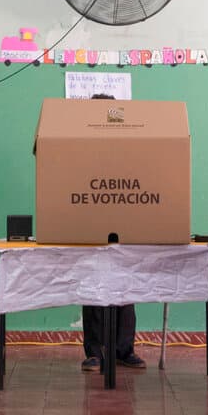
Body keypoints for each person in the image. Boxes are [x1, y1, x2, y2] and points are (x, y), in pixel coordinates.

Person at [81, 92, 145, 372]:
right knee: (93, 291)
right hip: (91, 228)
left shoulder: (128, 148)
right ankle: (95, 352)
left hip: (124, 227)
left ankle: (122, 350)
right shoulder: (79, 148)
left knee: (125, 290)